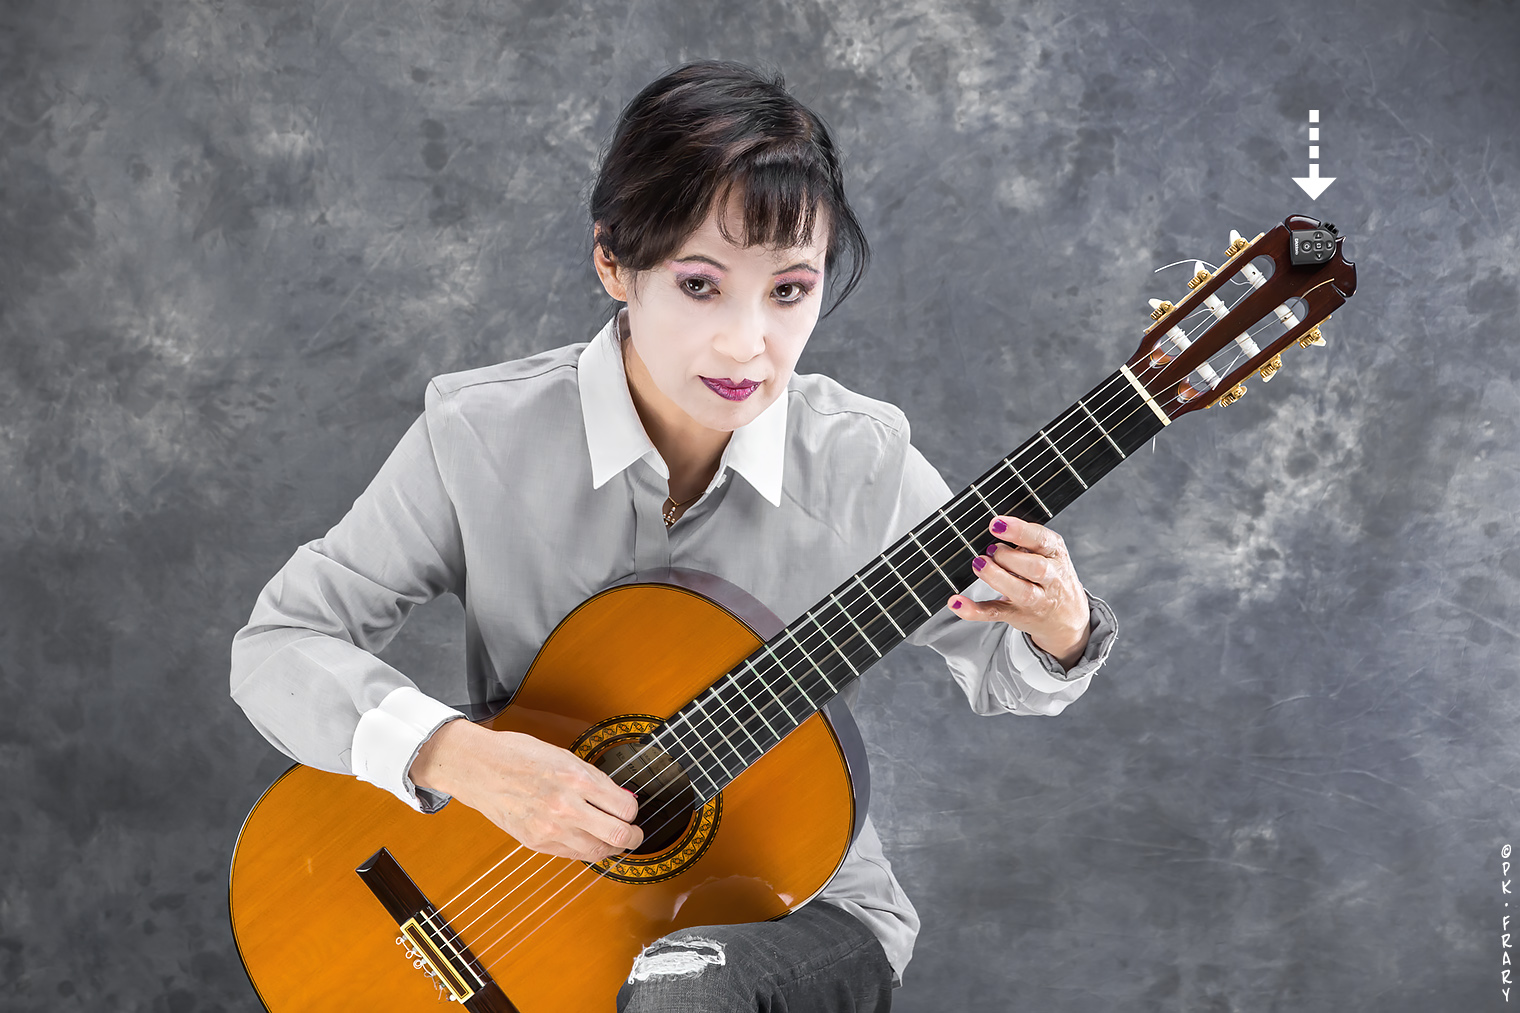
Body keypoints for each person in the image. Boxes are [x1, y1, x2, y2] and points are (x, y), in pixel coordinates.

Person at [230, 60, 1117, 1012]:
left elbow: (1002, 665)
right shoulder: (477, 436)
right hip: (525, 903)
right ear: (614, 260)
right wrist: (457, 755)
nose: (748, 344)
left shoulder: (864, 465)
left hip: (793, 912)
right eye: (701, 285)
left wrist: (1059, 628)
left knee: (677, 993)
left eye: (789, 290)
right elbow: (279, 646)